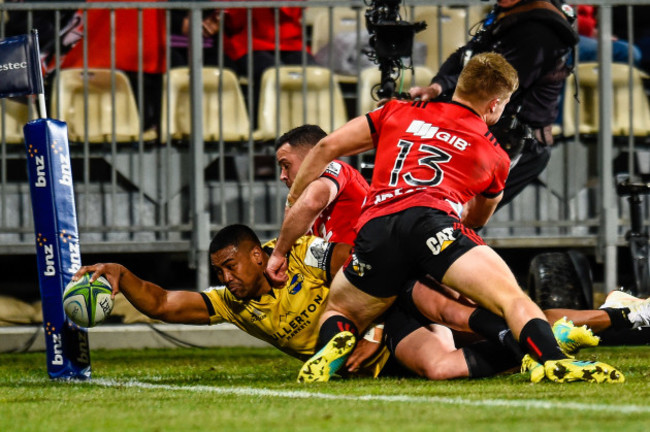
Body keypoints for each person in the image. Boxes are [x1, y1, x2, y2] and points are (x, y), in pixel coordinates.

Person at [277, 52, 623, 384]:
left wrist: (294, 200)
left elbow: (326, 148)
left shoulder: (399, 111)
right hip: (432, 224)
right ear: (495, 104)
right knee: (512, 299)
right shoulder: (494, 153)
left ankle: (327, 351)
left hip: (376, 227)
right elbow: (475, 220)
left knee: (340, 309)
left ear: (459, 85)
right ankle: (555, 360)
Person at [73, 224, 646, 382]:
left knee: (468, 321)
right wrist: (122, 275)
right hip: (370, 336)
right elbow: (170, 304)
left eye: (230, 265)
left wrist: (366, 330)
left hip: (385, 306)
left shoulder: (299, 250)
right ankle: (566, 335)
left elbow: (356, 255)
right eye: (218, 271)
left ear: (256, 253)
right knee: (468, 347)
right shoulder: (233, 303)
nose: (224, 277)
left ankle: (618, 315)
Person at [409, 0, 579, 208]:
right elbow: (467, 55)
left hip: (516, 144)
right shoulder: (511, 11)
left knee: (453, 219)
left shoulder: (541, 28)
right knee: (440, 218)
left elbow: (495, 85)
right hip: (485, 135)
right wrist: (437, 86)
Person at [270, 125, 369, 270]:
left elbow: (312, 202)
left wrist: (278, 254)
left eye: (286, 165)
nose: (282, 176)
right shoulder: (302, 203)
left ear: (312, 156)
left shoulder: (336, 167)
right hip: (344, 274)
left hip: (366, 271)